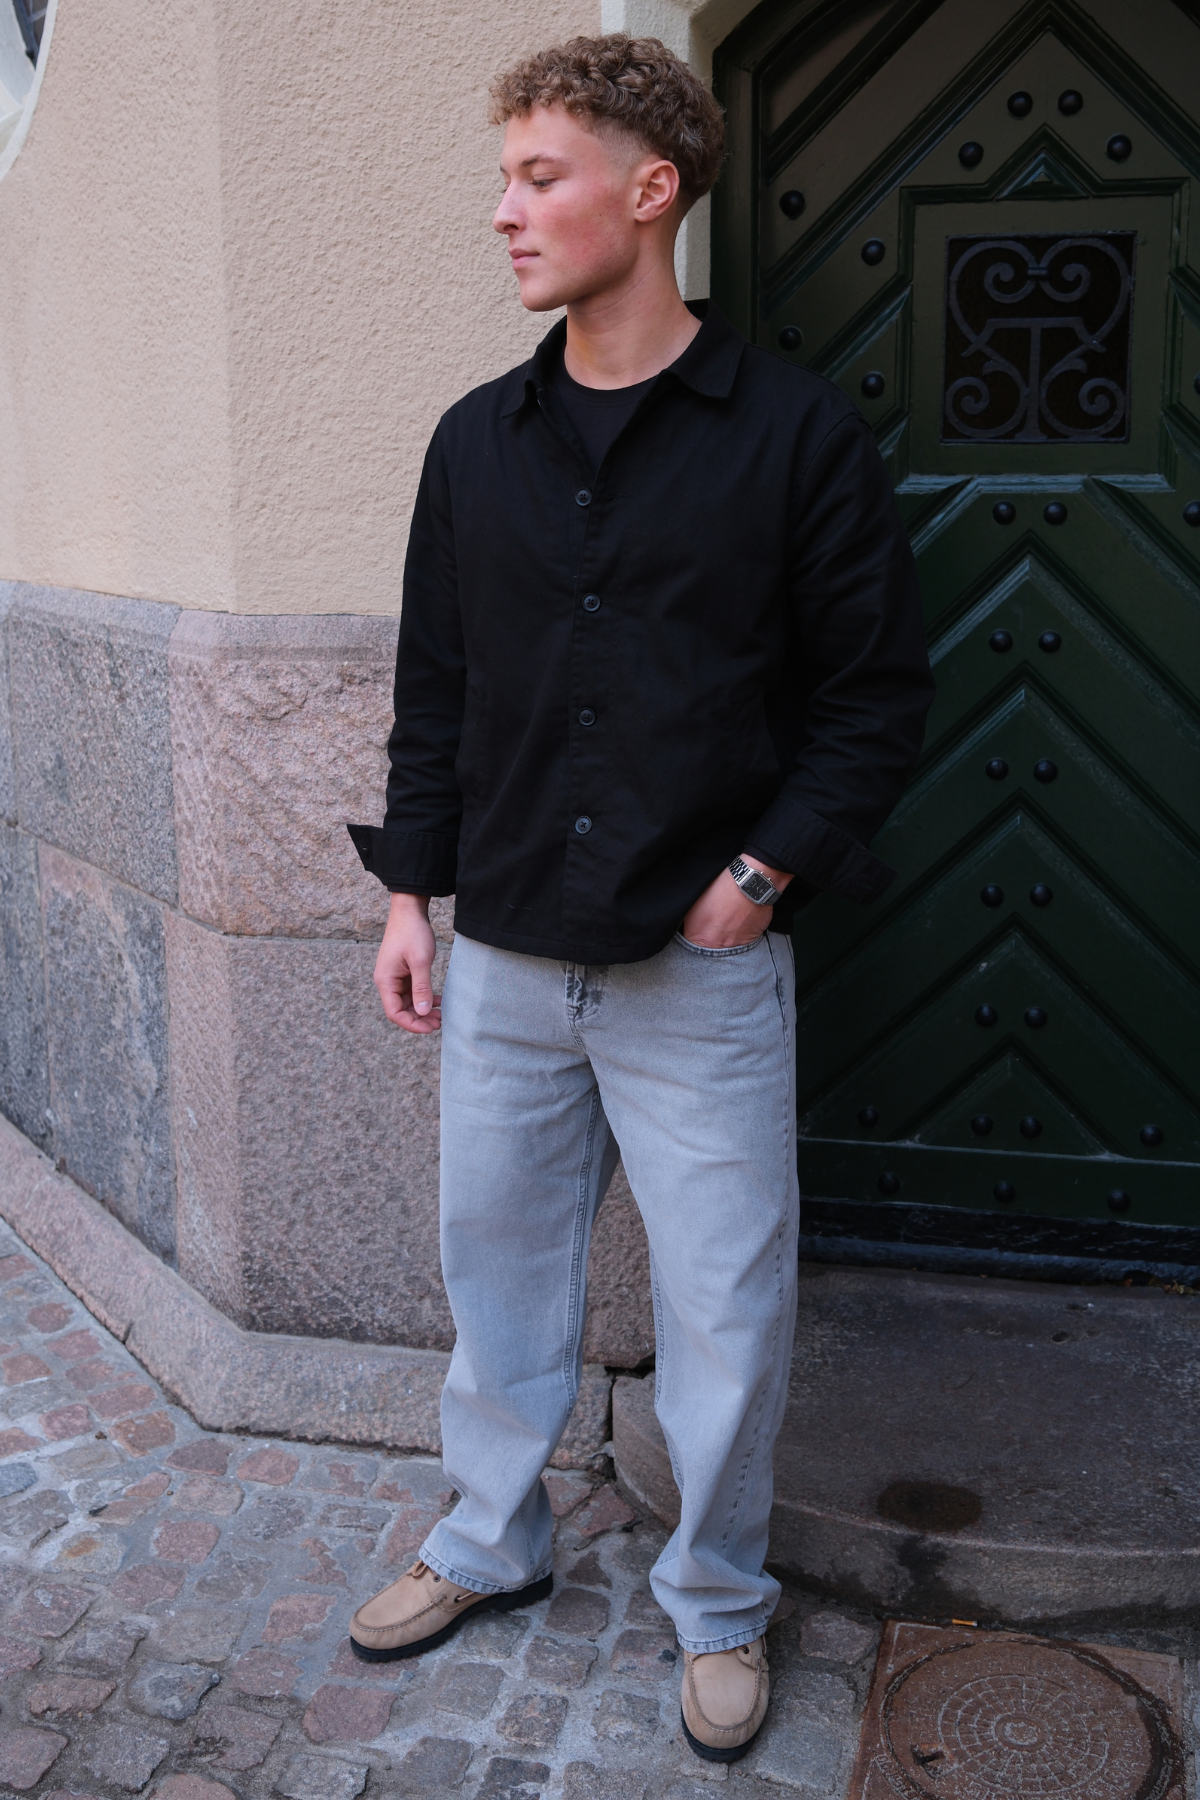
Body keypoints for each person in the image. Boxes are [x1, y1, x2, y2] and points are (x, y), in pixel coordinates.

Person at [347, 33, 933, 1763]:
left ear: (651, 188)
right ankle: (490, 1539)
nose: (506, 213)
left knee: (726, 1312)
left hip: (702, 963)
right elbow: (436, 688)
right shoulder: (478, 442)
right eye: (507, 179)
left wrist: (759, 878)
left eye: (541, 177)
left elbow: (875, 696)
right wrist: (411, 895)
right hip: (509, 949)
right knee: (497, 1281)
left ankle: (722, 1600)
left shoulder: (794, 437)